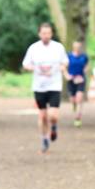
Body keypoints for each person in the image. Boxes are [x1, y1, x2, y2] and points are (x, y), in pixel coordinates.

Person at [21, 23, 69, 154]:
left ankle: (53, 126)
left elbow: (65, 61)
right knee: (42, 115)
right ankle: (44, 139)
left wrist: (62, 67)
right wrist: (32, 68)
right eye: (43, 33)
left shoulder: (58, 47)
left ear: (51, 34)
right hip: (39, 86)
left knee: (52, 115)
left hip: (54, 85)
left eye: (48, 33)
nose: (46, 35)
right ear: (39, 34)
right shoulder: (34, 48)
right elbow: (25, 63)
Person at [66, 41, 89, 127]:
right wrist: (67, 75)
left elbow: (87, 65)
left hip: (81, 80)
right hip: (71, 80)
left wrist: (85, 71)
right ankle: (74, 105)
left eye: (79, 46)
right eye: (76, 46)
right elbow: (64, 66)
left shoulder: (84, 57)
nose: (78, 48)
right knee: (73, 99)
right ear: (73, 47)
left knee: (79, 98)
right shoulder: (68, 56)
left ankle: (78, 117)